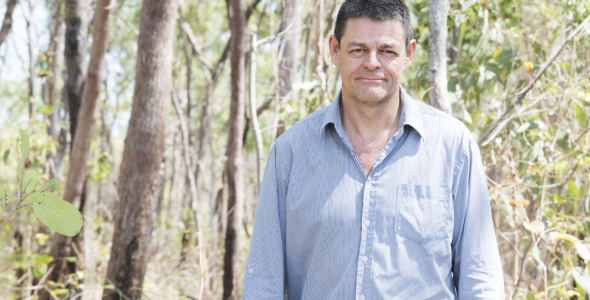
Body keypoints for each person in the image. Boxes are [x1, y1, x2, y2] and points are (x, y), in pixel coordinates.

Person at [241, 0, 504, 299]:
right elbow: (263, 281)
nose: (372, 63)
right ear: (334, 50)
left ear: (409, 54)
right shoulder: (290, 153)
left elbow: (480, 278)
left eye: (387, 51)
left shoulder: (453, 147)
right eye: (358, 50)